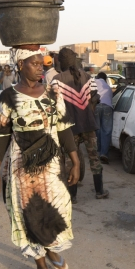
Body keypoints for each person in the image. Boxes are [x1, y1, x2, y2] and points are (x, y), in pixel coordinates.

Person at [0, 47, 80, 269]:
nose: (41, 67)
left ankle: (50, 250)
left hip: (50, 165)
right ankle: (40, 264)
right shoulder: (8, 97)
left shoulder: (52, 93)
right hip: (21, 167)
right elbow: (1, 135)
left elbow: (63, 128)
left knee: (54, 208)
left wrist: (76, 161)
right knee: (26, 213)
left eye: (43, 63)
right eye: (35, 63)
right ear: (20, 65)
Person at [53, 48, 109, 202]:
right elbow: (94, 100)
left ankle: (72, 196)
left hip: (69, 128)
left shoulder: (57, 80)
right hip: (88, 125)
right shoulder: (88, 77)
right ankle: (99, 191)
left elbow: (54, 104)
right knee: (94, 158)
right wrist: (86, 114)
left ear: (61, 62)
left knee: (71, 160)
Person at [94, 72, 113, 164]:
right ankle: (103, 153)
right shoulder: (108, 87)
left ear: (97, 76)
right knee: (106, 131)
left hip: (96, 106)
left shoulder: (94, 81)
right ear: (105, 79)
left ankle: (97, 151)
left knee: (97, 129)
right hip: (107, 107)